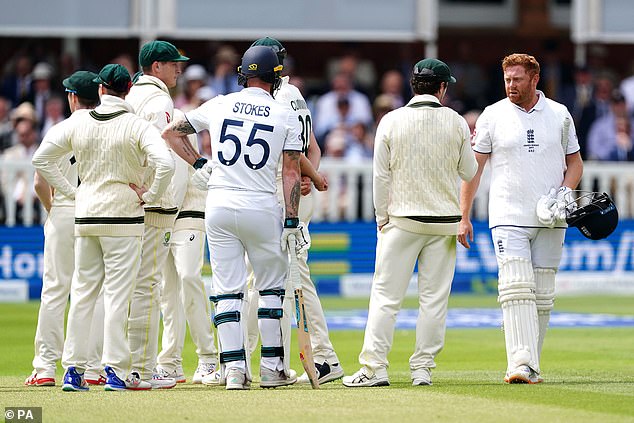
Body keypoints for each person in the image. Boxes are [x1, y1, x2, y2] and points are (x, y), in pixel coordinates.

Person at [161, 45, 306, 390]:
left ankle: (234, 372)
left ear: (243, 74)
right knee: (270, 290)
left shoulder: (221, 102)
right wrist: (291, 219)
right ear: (275, 76)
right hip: (261, 204)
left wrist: (199, 163)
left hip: (220, 204)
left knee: (226, 291)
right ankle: (272, 369)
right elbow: (290, 172)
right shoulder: (284, 112)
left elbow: (171, 132)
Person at [31, 64, 175, 391]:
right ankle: (114, 371)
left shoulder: (79, 121)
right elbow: (165, 164)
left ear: (100, 90)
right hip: (123, 218)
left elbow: (41, 159)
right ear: (128, 90)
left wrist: (72, 192)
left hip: (87, 215)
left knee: (82, 294)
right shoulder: (136, 125)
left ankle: (73, 371)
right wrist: (150, 194)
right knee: (116, 296)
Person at [342, 58, 477, 387]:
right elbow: (469, 172)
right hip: (443, 223)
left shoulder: (391, 120)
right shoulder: (457, 122)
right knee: (433, 300)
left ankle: (375, 368)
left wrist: (380, 219)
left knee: (387, 297)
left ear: (413, 85)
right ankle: (422, 370)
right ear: (442, 88)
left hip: (402, 220)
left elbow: (380, 177)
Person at [459, 53, 583, 384]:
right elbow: (475, 168)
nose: (511, 85)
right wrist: (464, 215)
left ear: (534, 79)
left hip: (550, 217)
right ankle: (519, 363)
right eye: (507, 79)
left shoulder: (559, 114)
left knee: (542, 294)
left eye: (517, 79)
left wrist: (564, 194)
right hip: (508, 213)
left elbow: (575, 163)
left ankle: (530, 365)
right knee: (515, 286)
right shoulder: (492, 115)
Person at [241, 37, 342, 386]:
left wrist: (302, 177)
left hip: (282, 195)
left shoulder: (278, 98)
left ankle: (324, 359)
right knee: (268, 280)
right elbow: (312, 147)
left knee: (286, 278)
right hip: (291, 190)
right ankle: (257, 358)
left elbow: (297, 151)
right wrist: (308, 176)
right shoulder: (295, 93)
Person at [25, 71, 104, 387]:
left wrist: (56, 207)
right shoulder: (106, 127)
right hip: (98, 212)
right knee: (95, 293)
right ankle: (94, 368)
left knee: (56, 290)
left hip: (65, 211)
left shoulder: (62, 128)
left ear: (73, 97)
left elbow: (38, 180)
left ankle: (45, 367)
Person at [125, 40, 194, 389]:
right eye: (172, 64)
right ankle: (141, 367)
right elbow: (161, 153)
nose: (178, 69)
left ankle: (117, 364)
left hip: (135, 203)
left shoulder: (131, 96)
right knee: (148, 285)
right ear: (156, 67)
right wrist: (154, 194)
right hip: (155, 205)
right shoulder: (158, 100)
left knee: (130, 284)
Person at [155, 108, 218, 384]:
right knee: (167, 291)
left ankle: (208, 358)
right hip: (163, 215)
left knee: (189, 277)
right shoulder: (144, 120)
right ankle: (170, 362)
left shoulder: (175, 116)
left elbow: (181, 174)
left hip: (189, 211)